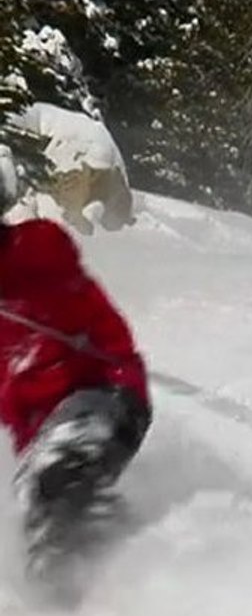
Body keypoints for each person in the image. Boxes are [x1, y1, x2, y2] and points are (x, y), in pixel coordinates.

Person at [0, 217, 150, 571]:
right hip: (41, 436)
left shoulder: (35, 251)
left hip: (106, 394)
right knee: (38, 513)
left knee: (59, 475)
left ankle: (124, 583)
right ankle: (123, 564)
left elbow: (48, 256)